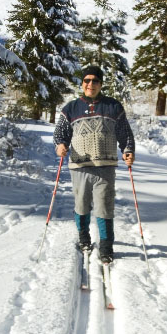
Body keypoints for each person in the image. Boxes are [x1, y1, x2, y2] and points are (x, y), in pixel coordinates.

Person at [53, 65, 135, 263]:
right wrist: (60, 146)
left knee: (104, 207)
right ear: (82, 83)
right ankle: (84, 238)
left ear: (101, 84)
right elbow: (60, 134)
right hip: (79, 166)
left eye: (95, 81)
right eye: (87, 80)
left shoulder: (113, 106)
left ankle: (106, 247)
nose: (91, 84)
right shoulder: (70, 108)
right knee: (81, 206)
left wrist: (128, 150)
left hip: (105, 166)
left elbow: (125, 133)